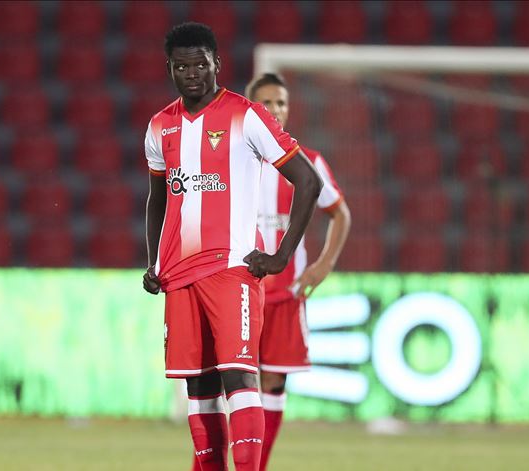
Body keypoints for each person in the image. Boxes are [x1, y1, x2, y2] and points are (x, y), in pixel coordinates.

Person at [143, 23, 322, 471]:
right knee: (199, 389)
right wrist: (154, 263)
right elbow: (158, 198)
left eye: (199, 64)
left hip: (231, 271)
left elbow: (308, 180)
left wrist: (281, 255)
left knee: (239, 377)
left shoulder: (248, 116)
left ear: (216, 64)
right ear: (169, 69)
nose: (190, 73)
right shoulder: (159, 126)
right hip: (180, 277)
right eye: (180, 66)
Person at [247, 73, 352, 471]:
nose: (276, 110)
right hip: (239, 292)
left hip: (285, 294)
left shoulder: (307, 160)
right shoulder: (233, 160)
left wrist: (324, 263)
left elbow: (340, 213)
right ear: (252, 108)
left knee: (273, 382)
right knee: (228, 386)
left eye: (282, 103)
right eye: (267, 103)